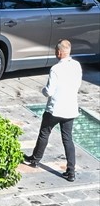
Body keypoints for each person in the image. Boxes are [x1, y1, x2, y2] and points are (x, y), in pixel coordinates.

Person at [23, 39, 82, 182]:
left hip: (55, 109)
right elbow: (78, 84)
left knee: (44, 133)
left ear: (59, 52)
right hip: (70, 109)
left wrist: (42, 90)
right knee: (68, 139)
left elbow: (49, 91)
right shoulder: (77, 65)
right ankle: (71, 172)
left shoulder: (55, 69)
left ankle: (35, 160)